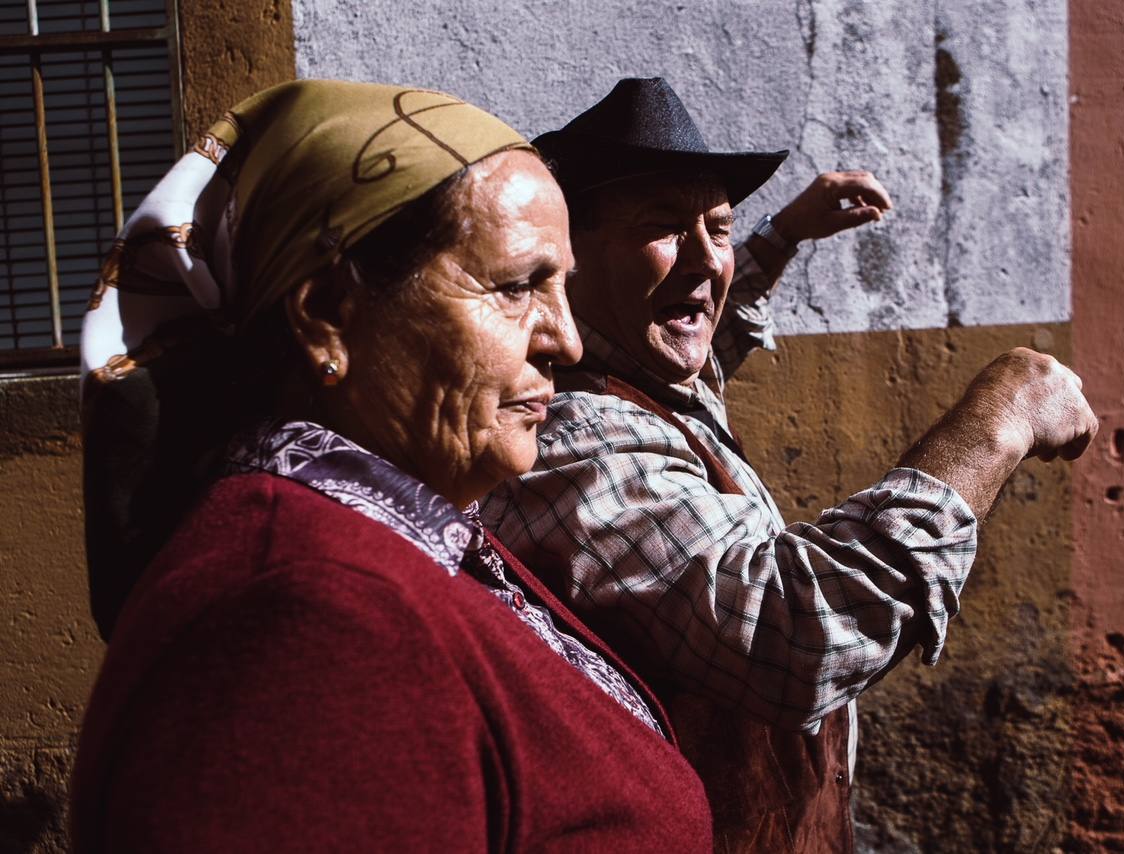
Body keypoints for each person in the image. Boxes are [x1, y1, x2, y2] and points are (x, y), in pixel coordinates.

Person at [69, 79, 712, 852]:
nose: (566, 342)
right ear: (330, 314)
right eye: (516, 287)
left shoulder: (407, 542)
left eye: (562, 288)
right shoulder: (309, 618)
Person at [481, 77, 1098, 852]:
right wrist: (995, 423)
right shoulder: (576, 442)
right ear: (570, 258)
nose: (708, 259)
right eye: (666, 227)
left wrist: (780, 238)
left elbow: (709, 346)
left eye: (720, 227)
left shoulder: (642, 369)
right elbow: (798, 632)